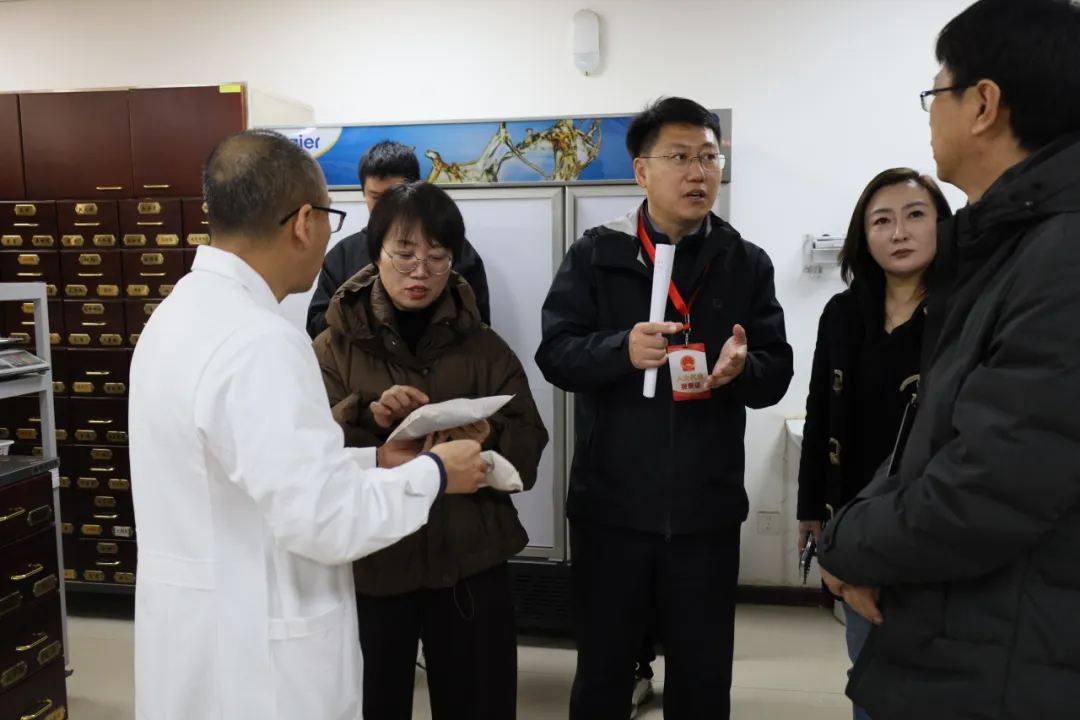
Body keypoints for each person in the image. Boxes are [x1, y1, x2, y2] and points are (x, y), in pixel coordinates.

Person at [128, 130, 490, 720]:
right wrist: (434, 473)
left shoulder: (179, 314)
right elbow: (324, 520)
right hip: (260, 659)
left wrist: (374, 461)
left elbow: (252, 470)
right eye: (328, 215)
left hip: (197, 633)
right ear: (303, 222)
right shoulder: (261, 341)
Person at [818, 1, 1080, 718]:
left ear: (983, 104)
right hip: (963, 624)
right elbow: (931, 441)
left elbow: (989, 488)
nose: (930, 114)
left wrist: (846, 545)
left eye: (936, 93)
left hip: (1012, 651)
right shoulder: (1003, 250)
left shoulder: (1058, 258)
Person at [536, 97, 794, 720]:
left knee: (702, 679)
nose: (699, 172)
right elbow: (556, 355)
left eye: (710, 157)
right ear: (641, 170)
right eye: (679, 156)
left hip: (705, 515)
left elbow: (776, 370)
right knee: (602, 674)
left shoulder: (744, 261)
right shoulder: (597, 254)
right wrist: (619, 350)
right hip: (612, 510)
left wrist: (741, 371)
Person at [313, 181, 549, 720]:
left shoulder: (485, 347)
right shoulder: (332, 348)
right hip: (372, 564)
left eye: (437, 256)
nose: (420, 271)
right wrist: (366, 414)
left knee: (479, 704)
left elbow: (530, 444)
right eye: (404, 254)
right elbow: (309, 455)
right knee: (372, 704)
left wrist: (489, 438)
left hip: (469, 558)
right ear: (375, 254)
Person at [796, 168, 952, 720]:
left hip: (934, 523)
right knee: (871, 677)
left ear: (942, 225)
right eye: (881, 221)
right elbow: (820, 412)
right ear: (864, 236)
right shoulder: (843, 313)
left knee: (935, 684)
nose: (899, 232)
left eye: (916, 215)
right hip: (854, 522)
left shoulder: (964, 312)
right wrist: (811, 509)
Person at [305, 140, 490, 337]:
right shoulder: (343, 255)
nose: (386, 208)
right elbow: (317, 328)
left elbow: (478, 325)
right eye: (376, 197)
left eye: (435, 258)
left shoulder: (454, 250)